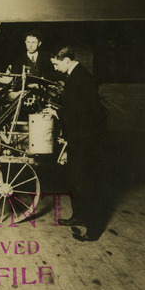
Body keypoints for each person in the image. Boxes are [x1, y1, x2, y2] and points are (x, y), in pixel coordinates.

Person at [47, 45, 107, 241]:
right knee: (75, 178)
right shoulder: (73, 76)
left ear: (66, 60)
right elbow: (74, 105)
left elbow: (87, 113)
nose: (55, 68)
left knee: (87, 183)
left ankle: (94, 228)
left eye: (56, 64)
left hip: (86, 139)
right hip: (77, 137)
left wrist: (58, 113)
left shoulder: (84, 78)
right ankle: (79, 216)